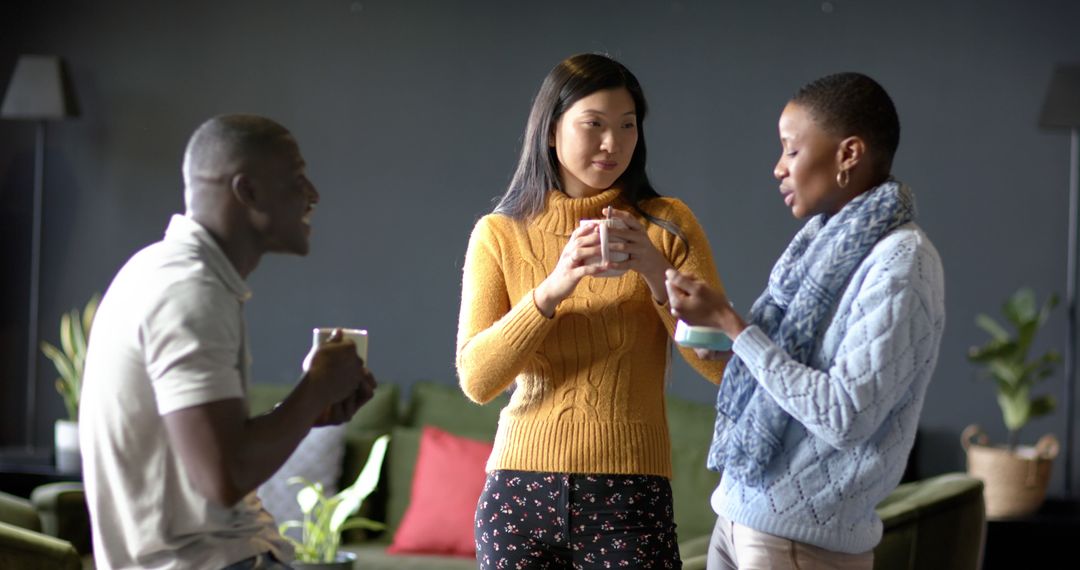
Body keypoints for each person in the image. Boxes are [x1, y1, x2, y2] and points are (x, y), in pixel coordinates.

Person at [456, 53, 728, 569]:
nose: (613, 143)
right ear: (552, 132)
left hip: (629, 493)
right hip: (517, 493)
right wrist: (552, 289)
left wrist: (654, 274)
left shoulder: (668, 224)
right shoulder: (499, 233)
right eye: (594, 125)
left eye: (627, 126)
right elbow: (476, 379)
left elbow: (721, 365)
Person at [665, 72, 946, 569]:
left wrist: (737, 329)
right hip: (739, 515)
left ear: (849, 154)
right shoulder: (819, 246)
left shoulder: (901, 262)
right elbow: (795, 366)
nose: (778, 168)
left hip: (800, 540)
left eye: (791, 151)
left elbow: (846, 416)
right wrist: (730, 344)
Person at [79, 114, 377, 570]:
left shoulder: (165, 272)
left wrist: (302, 413)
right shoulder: (189, 292)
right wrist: (315, 386)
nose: (313, 195)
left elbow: (212, 451)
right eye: (297, 178)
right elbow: (223, 476)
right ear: (248, 192)